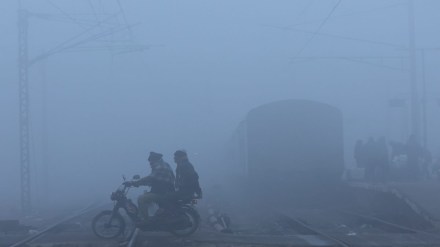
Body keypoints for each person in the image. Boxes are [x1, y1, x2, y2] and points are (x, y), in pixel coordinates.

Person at [124, 151, 175, 221]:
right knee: (146, 195)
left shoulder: (160, 167)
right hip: (164, 191)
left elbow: (149, 178)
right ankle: (154, 215)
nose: (150, 163)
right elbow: (153, 180)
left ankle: (145, 220)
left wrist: (134, 183)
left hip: (163, 193)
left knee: (141, 199)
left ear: (155, 159)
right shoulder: (164, 164)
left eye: (151, 161)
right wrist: (138, 183)